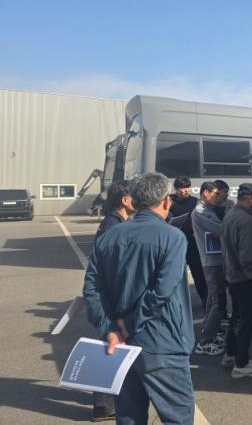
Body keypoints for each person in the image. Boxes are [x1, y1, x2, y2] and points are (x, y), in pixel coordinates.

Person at [83, 173, 195, 424]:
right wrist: (130, 323)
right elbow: (163, 290)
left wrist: (110, 328)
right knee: (178, 417)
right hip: (163, 341)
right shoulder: (172, 236)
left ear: (133, 201)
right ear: (166, 201)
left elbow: (92, 287)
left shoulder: (109, 236)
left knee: (128, 417)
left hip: (120, 346)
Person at [90, 180, 135, 422]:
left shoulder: (115, 222)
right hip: (112, 300)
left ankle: (106, 401)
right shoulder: (113, 227)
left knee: (112, 348)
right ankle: (103, 405)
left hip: (110, 298)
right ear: (126, 200)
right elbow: (112, 269)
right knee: (111, 348)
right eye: (135, 195)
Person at [220, 183, 252, 378]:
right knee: (247, 321)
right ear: (249, 198)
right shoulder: (246, 220)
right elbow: (247, 255)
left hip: (232, 275)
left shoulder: (230, 215)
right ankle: (242, 363)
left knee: (236, 318)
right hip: (245, 278)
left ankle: (230, 354)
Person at [191, 180, 230, 356]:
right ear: (205, 193)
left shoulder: (209, 209)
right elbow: (221, 230)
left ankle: (209, 333)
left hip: (216, 260)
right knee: (218, 302)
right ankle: (205, 342)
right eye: (215, 194)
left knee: (212, 300)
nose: (218, 197)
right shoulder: (200, 212)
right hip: (212, 263)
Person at [170, 176, 207, 310]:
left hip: (193, 243)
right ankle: (177, 303)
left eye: (188, 187)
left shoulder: (196, 202)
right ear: (176, 189)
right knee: (177, 275)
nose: (186, 190)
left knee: (199, 274)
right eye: (182, 188)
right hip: (176, 245)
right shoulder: (170, 202)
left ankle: (205, 300)